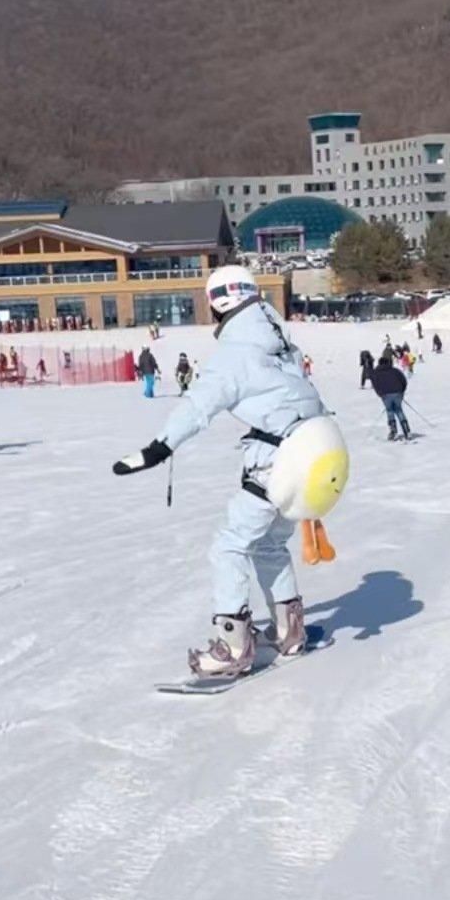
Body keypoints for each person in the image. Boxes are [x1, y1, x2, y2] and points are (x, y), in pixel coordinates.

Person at [113, 265, 327, 681]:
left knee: (229, 546)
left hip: (277, 459)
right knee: (269, 545)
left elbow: (199, 405)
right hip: (314, 453)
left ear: (218, 302)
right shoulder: (281, 344)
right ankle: (289, 631)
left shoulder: (236, 353)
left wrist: (159, 448)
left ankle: (233, 647)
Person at [370, 353, 411, 441]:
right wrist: (401, 391)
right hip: (397, 393)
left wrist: (380, 393)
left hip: (385, 394)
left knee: (390, 411)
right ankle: (407, 431)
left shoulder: (376, 372)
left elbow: (374, 383)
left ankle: (393, 431)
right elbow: (403, 380)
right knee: (399, 410)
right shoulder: (395, 370)